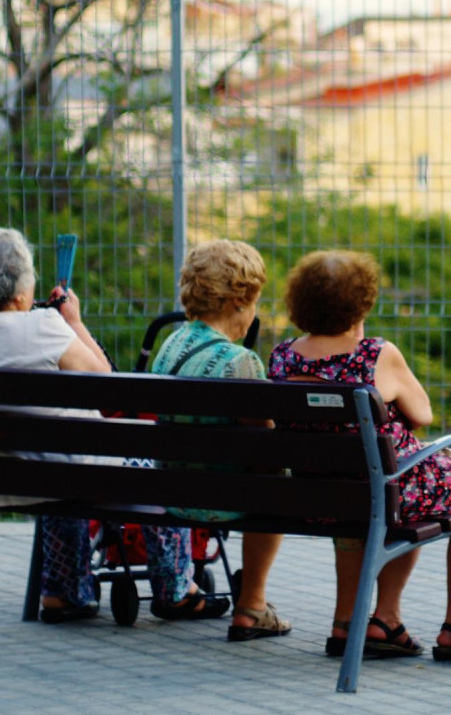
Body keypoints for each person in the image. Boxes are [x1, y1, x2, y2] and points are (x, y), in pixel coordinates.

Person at [0, 227, 228, 624]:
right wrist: (73, 321)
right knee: (155, 462)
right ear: (21, 291)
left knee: (60, 468)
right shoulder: (43, 327)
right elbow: (108, 387)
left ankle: (64, 591)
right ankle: (175, 589)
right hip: (65, 473)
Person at [267, 250, 451, 661]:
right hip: (375, 493)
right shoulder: (375, 354)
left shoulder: (282, 357)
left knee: (403, 484)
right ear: (363, 302)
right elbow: (422, 415)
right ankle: (448, 628)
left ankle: (371, 621)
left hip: (314, 498)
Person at [148, 239, 290, 642]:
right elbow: (267, 447)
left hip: (174, 492)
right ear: (239, 300)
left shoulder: (169, 345)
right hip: (222, 501)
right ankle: (252, 605)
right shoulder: (241, 361)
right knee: (275, 479)